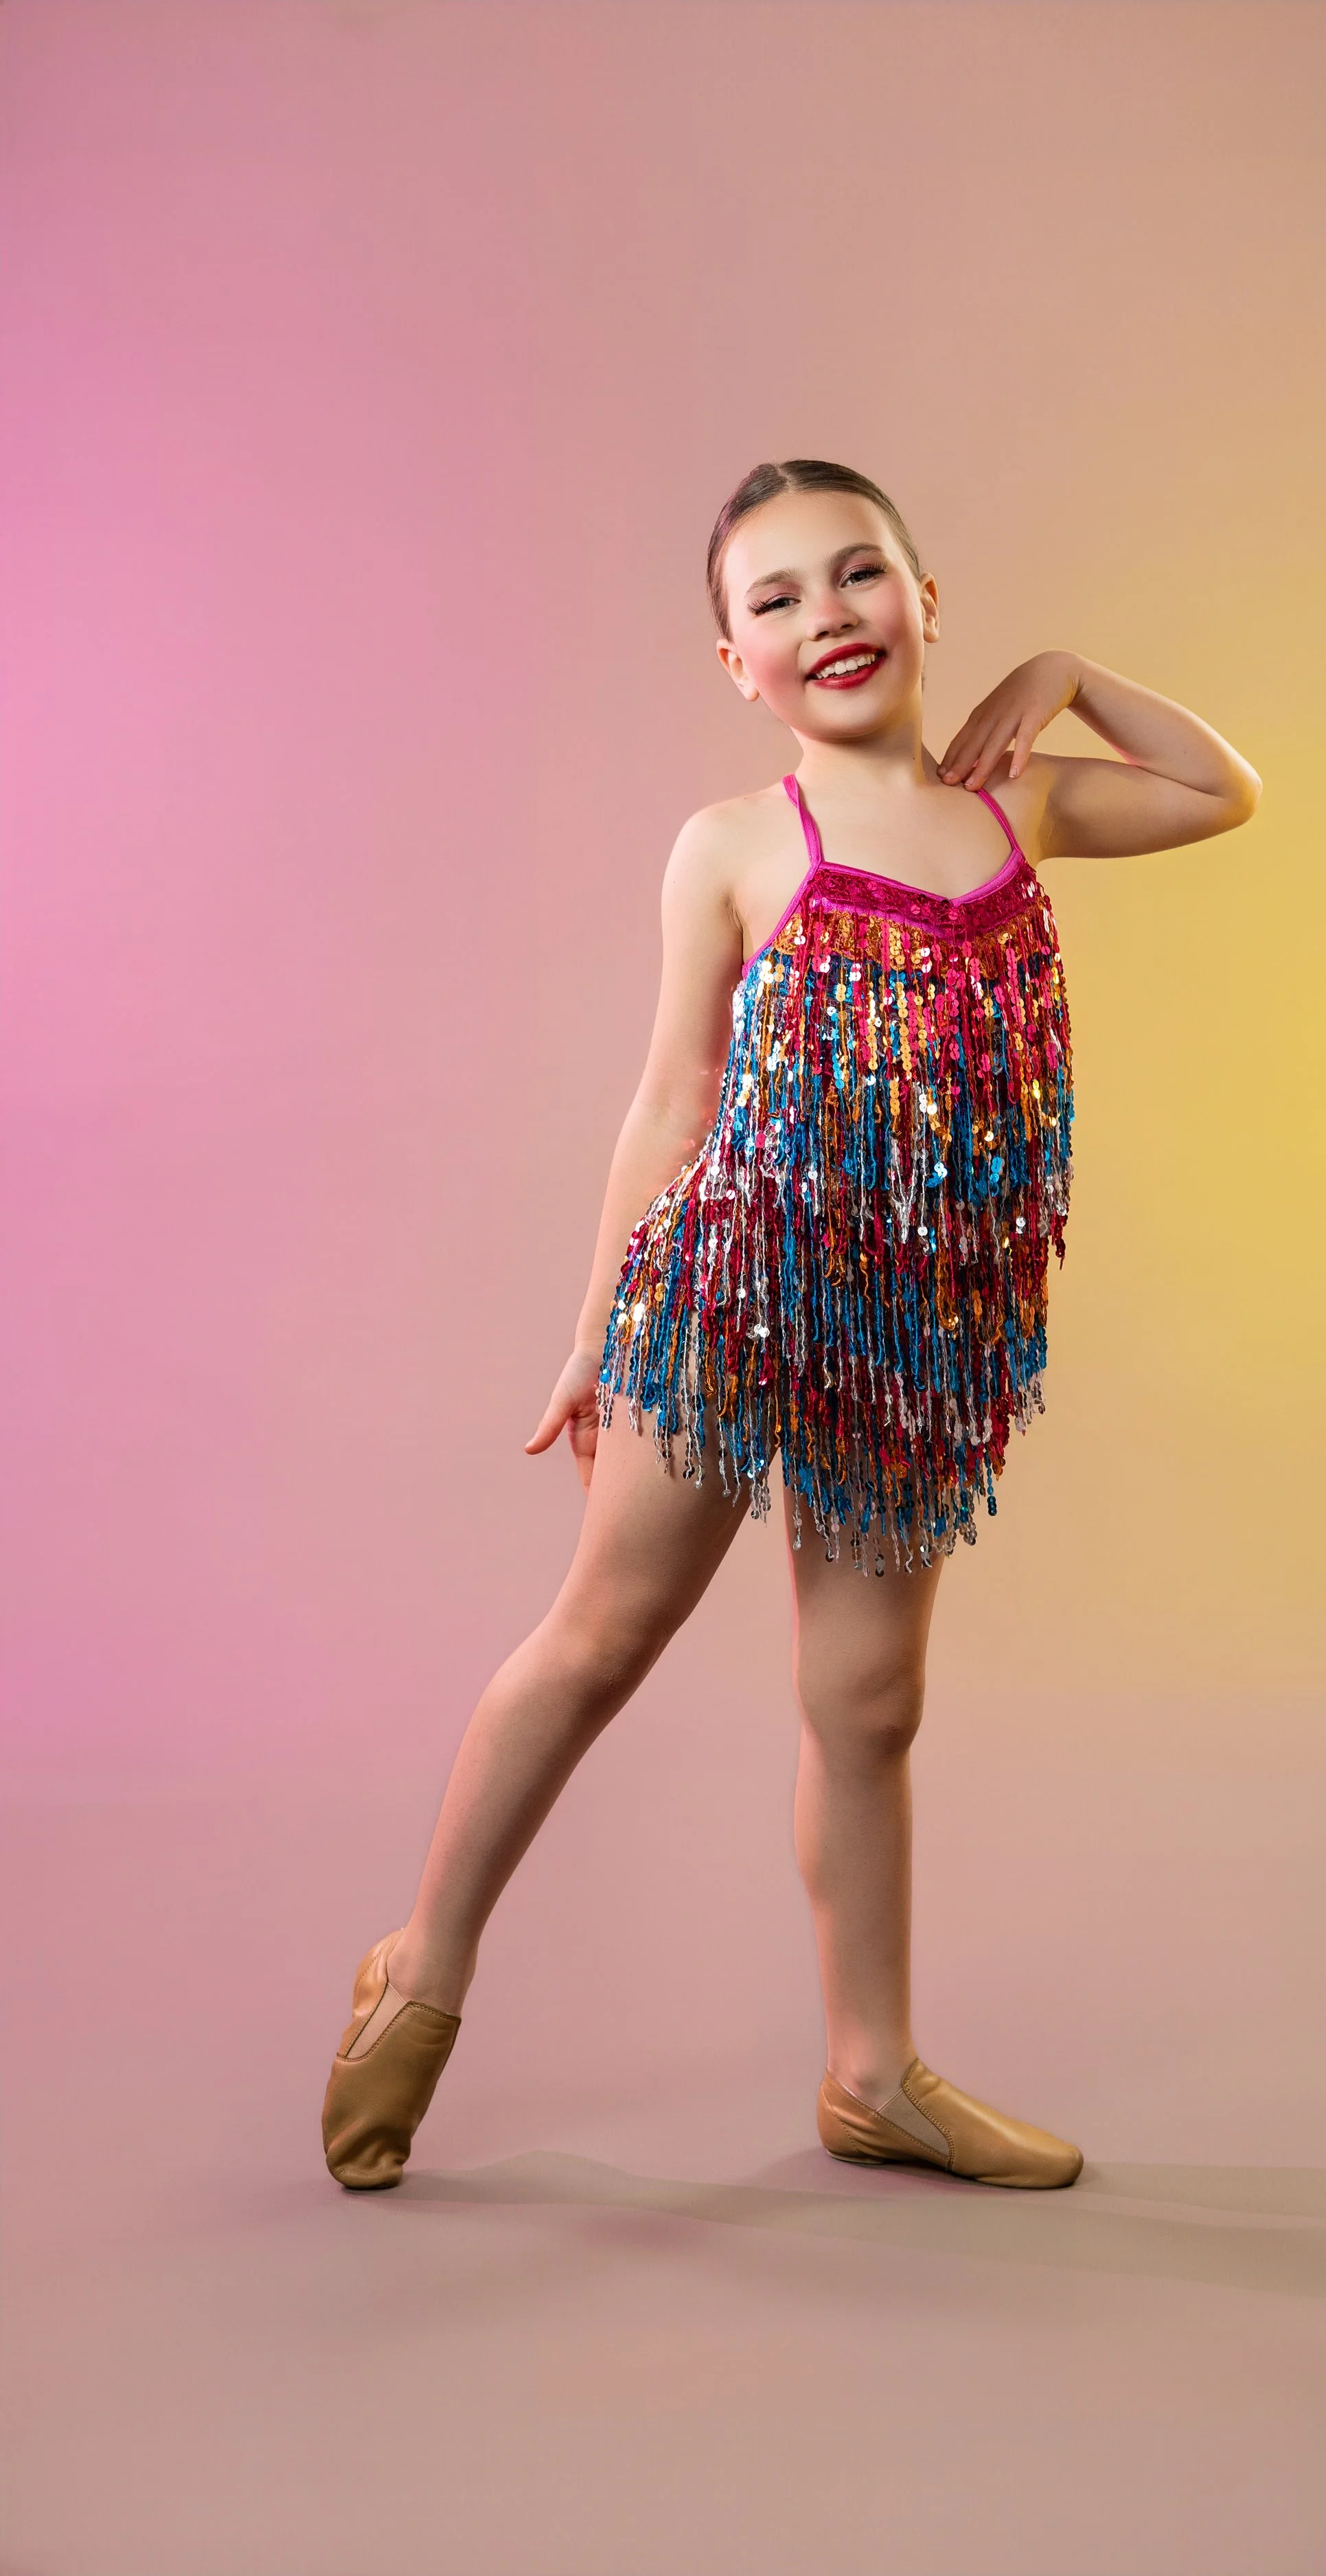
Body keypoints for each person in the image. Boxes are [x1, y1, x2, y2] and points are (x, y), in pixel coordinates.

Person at [321, 458, 1261, 2193]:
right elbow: (670, 1097)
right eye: (776, 599)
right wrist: (598, 1329)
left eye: (859, 576)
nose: (825, 616)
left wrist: (1056, 672)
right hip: (729, 1296)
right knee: (599, 1640)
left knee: (869, 1704)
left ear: (922, 600)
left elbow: (1218, 789)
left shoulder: (1014, 809)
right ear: (733, 661)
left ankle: (869, 2073)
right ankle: (425, 1965)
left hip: (912, 1339)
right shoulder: (737, 845)